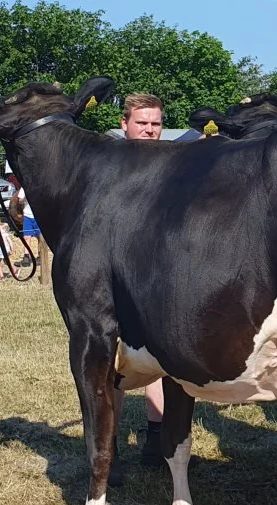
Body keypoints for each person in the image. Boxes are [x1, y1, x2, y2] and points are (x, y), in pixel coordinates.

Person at [116, 93, 168, 475]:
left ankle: (158, 437)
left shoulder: (171, 163)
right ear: (125, 124)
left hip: (161, 275)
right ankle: (110, 446)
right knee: (111, 364)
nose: (149, 129)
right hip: (117, 273)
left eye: (155, 123)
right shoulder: (111, 165)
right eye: (142, 122)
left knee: (164, 359)